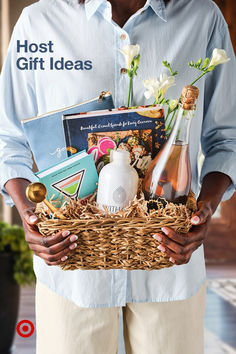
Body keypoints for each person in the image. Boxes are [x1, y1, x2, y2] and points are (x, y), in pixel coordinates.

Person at [0, 0, 235, 353]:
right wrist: (30, 217)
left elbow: (226, 138)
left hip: (170, 270)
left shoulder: (201, 17)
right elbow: (9, 140)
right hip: (72, 273)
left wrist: (204, 209)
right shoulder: (39, 21)